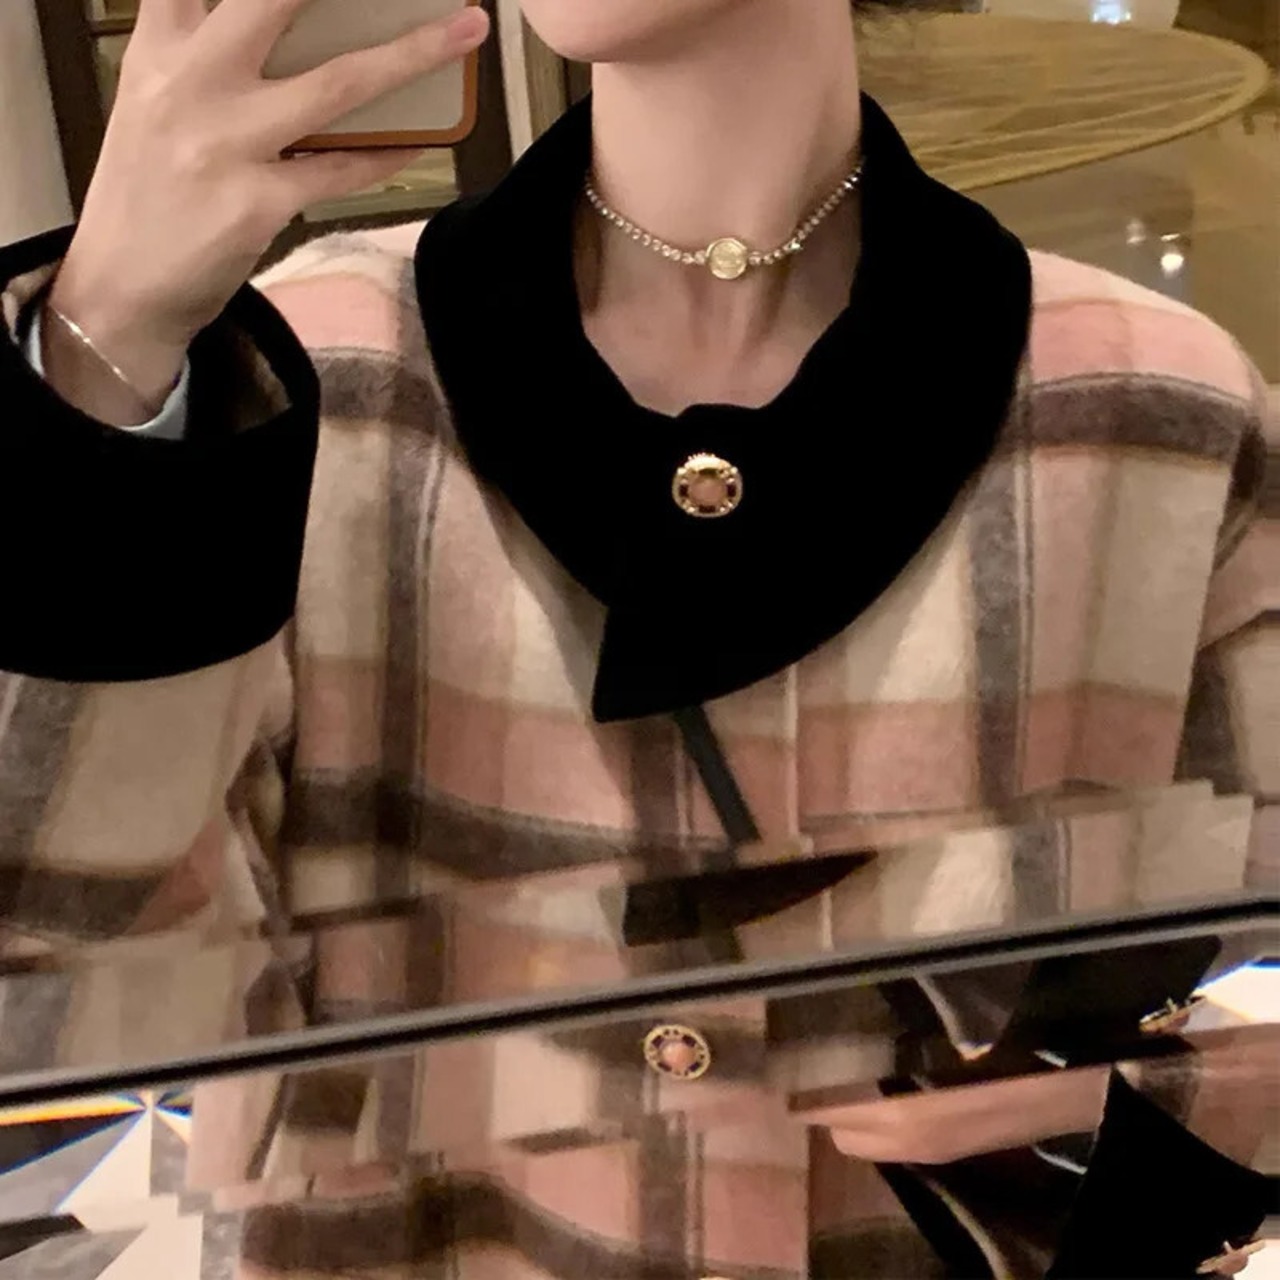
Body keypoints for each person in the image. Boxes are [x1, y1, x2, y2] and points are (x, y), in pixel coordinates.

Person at [0, 0, 1275, 1275]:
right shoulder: (305, 388)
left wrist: (1132, 1116)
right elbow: (60, 983)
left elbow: (1244, 1008)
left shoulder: (1152, 412)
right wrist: (102, 371)